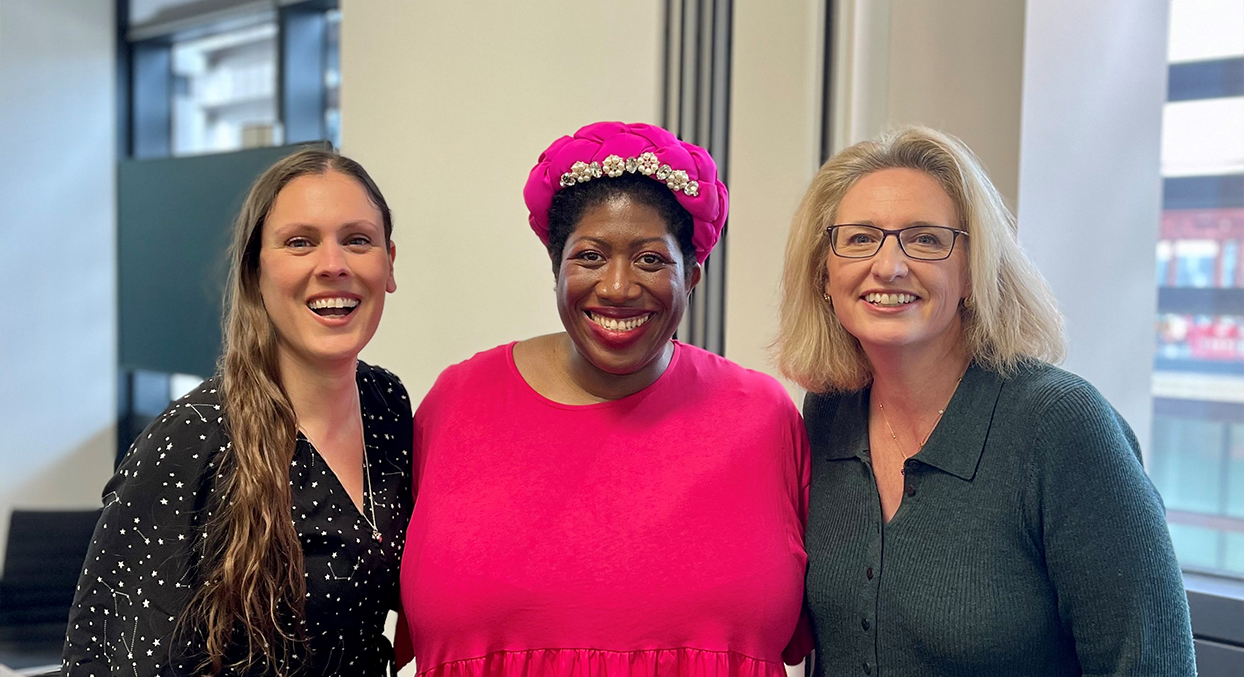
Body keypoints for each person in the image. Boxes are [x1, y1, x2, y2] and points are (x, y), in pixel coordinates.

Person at [774, 126, 1196, 676]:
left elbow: (1151, 662)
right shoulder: (828, 412)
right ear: (824, 274)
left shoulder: (1061, 424)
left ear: (973, 271)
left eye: (926, 240)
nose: (889, 266)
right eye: (859, 239)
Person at [397, 121, 811, 677]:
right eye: (590, 256)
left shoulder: (763, 418)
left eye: (650, 259)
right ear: (556, 267)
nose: (617, 287)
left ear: (692, 274)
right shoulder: (456, 406)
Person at [62, 148, 413, 676]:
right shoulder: (191, 439)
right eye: (300, 242)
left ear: (389, 262)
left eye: (357, 240)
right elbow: (109, 659)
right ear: (255, 270)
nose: (333, 264)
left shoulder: (387, 406)